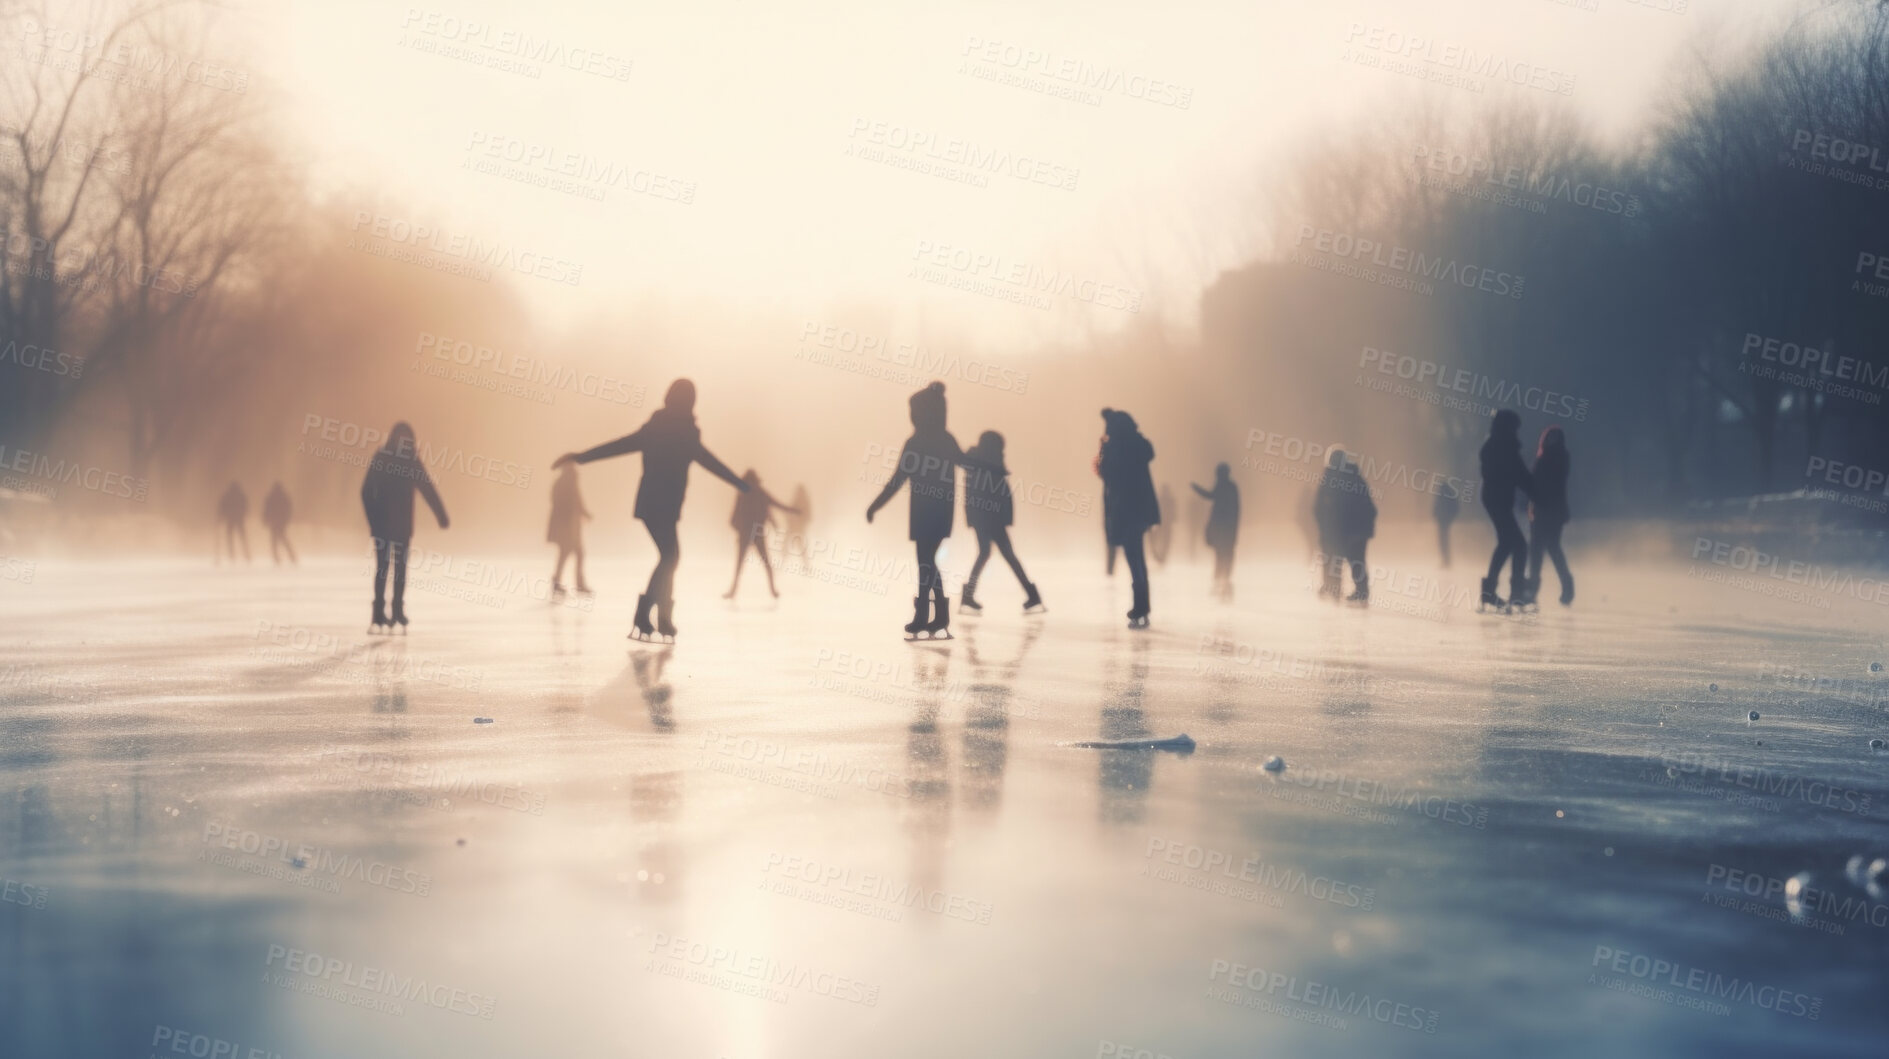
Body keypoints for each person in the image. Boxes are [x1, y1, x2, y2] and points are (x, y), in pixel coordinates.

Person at [556, 378, 749, 642]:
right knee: (670, 557)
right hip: (661, 505)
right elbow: (708, 462)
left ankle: (660, 618)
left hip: (655, 504)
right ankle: (650, 614)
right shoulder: (682, 431)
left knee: (670, 558)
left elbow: (621, 445)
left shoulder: (664, 428)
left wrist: (581, 456)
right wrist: (739, 483)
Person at [867, 381, 982, 639]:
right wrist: (984, 462)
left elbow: (898, 479)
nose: (913, 416)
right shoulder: (945, 439)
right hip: (938, 511)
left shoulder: (917, 442)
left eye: (915, 412)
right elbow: (966, 463)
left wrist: (876, 505)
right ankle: (938, 615)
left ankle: (925, 616)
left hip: (925, 511)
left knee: (925, 562)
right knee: (927, 563)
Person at [360, 422, 449, 632]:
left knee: (400, 570)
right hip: (382, 526)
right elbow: (365, 491)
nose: (403, 441)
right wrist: (373, 519)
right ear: (393, 438)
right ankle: (378, 612)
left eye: (406, 438)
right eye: (400, 437)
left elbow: (427, 487)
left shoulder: (411, 461)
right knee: (382, 569)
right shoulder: (381, 458)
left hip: (402, 527)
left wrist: (441, 515)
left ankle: (398, 610)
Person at [959, 431, 1043, 615]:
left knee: (986, 553)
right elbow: (994, 493)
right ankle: (1031, 594)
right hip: (990, 517)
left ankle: (968, 594)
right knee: (1004, 555)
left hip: (984, 517)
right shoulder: (987, 463)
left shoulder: (978, 461)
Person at [1095, 408, 1160, 627]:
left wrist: (1103, 448)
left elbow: (1107, 474)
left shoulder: (1116, 447)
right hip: (1141, 510)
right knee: (1138, 558)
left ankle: (1140, 606)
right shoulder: (1138, 444)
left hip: (1126, 509)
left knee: (1134, 558)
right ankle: (1143, 605)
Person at [1478, 409, 1534, 611]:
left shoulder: (1495, 445)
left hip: (1495, 499)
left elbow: (1518, 475)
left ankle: (1490, 592)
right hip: (1497, 500)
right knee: (1518, 545)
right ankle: (1516, 593)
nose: (1517, 432)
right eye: (1515, 428)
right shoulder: (1502, 446)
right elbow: (1519, 475)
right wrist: (1536, 491)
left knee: (1507, 544)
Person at [1313, 448, 1376, 602]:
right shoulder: (1347, 478)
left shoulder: (1344, 479)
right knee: (1341, 560)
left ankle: (1355, 590)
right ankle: (1336, 587)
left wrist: (1360, 531)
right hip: (1341, 530)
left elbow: (1367, 508)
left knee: (1352, 561)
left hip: (1351, 530)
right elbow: (1319, 507)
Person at [724, 469, 799, 599]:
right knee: (764, 563)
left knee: (742, 564)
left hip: (747, 533)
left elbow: (734, 517)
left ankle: (734, 591)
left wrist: (738, 529)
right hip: (755, 532)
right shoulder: (759, 493)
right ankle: (772, 590)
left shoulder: (744, 494)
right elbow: (776, 505)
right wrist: (793, 511)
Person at [1526, 426, 1574, 606]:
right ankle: (1535, 589)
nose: (1551, 441)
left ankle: (1563, 586)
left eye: (1555, 438)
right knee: (1540, 550)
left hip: (1550, 510)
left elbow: (1548, 485)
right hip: (1543, 510)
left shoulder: (1557, 457)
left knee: (1548, 548)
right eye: (1549, 438)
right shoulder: (1546, 457)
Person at [1191, 463, 1240, 600]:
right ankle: (1222, 580)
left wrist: (1197, 489)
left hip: (1224, 529)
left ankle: (1222, 580)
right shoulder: (1229, 487)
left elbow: (1211, 496)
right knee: (1224, 555)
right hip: (1226, 529)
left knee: (1222, 555)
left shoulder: (1226, 487)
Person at [547, 463, 592, 596]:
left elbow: (576, 501)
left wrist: (583, 513)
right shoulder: (565, 484)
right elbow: (572, 502)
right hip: (567, 526)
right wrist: (583, 513)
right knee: (569, 552)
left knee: (572, 553)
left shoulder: (565, 483)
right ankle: (570, 583)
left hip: (570, 525)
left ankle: (565, 583)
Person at [262, 482, 296, 565]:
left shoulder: (271, 497)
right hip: (281, 521)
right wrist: (286, 519)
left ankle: (277, 558)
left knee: (275, 540)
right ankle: (291, 556)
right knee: (283, 539)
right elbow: (288, 509)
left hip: (274, 521)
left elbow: (266, 509)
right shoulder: (283, 496)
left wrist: (265, 519)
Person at [216, 482, 249, 564]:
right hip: (238, 518)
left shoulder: (228, 495)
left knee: (231, 538)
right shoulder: (240, 495)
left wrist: (221, 516)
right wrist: (243, 514)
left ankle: (233, 554)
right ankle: (246, 553)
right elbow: (245, 506)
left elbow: (222, 506)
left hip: (231, 519)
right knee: (241, 537)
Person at [1433, 481, 1460, 568]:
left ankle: (1446, 561)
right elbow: (1436, 507)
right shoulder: (1445, 496)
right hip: (1443, 521)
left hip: (1444, 521)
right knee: (1443, 541)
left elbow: (1436, 507)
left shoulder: (1444, 496)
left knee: (1444, 541)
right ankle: (1445, 560)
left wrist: (1448, 517)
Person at [1149, 483, 1176, 567]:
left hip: (1163, 523)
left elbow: (1173, 512)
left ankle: (1160, 555)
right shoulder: (1166, 500)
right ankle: (1158, 555)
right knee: (1163, 540)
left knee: (1164, 540)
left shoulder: (1162, 499)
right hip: (1162, 523)